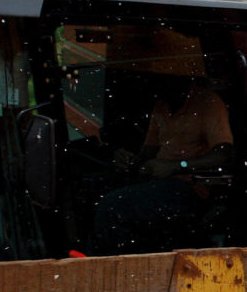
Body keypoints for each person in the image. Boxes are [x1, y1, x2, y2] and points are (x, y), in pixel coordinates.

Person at [91, 77, 234, 255]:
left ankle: (113, 264)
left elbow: (224, 154)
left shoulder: (207, 103)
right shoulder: (162, 106)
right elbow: (148, 152)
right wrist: (129, 160)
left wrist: (176, 166)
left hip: (189, 187)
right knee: (93, 187)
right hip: (158, 181)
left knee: (111, 207)